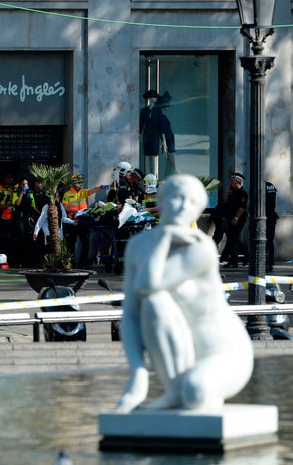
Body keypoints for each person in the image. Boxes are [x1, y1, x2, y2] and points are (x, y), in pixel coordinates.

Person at [116, 174, 253, 413]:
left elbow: (149, 283)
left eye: (192, 202)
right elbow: (130, 314)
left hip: (225, 352)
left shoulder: (200, 247)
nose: (182, 207)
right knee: (154, 303)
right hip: (184, 353)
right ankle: (174, 389)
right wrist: (138, 371)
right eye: (177, 198)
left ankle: (179, 391)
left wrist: (166, 236)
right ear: (162, 200)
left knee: (196, 391)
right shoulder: (138, 246)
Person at [62, 172, 104, 268]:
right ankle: (70, 264)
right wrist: (76, 211)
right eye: (78, 183)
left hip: (83, 221)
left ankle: (83, 264)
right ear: (73, 183)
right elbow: (64, 208)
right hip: (72, 221)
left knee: (85, 243)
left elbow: (92, 191)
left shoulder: (82, 192)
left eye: (81, 183)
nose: (80, 184)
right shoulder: (67, 194)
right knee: (71, 244)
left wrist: (101, 187)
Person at [212, 172, 248, 268]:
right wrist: (228, 194)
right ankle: (247, 256)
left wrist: (236, 218)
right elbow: (225, 202)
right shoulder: (232, 192)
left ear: (238, 182)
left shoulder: (243, 193)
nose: (230, 183)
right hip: (230, 218)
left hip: (238, 219)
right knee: (232, 240)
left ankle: (234, 261)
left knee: (234, 240)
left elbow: (242, 208)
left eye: (233, 181)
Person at [139, 90, 175, 178]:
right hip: (146, 135)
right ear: (150, 98)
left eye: (155, 96)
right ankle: (148, 178)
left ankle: (154, 177)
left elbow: (161, 126)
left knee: (155, 156)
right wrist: (140, 137)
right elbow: (141, 125)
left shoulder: (158, 111)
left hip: (155, 135)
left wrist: (164, 142)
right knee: (147, 156)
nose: (155, 98)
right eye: (154, 96)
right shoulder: (144, 110)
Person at [13, 177, 35, 267]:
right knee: (20, 239)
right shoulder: (16, 192)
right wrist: (21, 193)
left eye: (26, 184)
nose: (25, 186)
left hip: (28, 218)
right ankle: (18, 261)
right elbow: (17, 203)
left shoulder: (30, 193)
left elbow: (33, 205)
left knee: (29, 239)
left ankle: (28, 262)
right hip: (20, 218)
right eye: (23, 184)